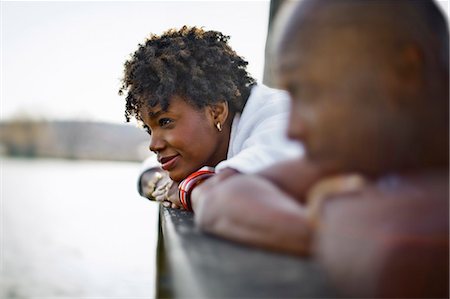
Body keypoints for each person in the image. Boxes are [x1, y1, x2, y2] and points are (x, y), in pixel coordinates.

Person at [191, 0, 449, 297]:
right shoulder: (382, 152)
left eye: (308, 92)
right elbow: (223, 194)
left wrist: (336, 220)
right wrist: (332, 230)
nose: (293, 129)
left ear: (404, 73)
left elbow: (399, 254)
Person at [119, 26, 303, 208]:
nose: (153, 145)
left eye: (165, 121)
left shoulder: (282, 119)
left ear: (216, 111)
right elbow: (148, 170)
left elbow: (233, 192)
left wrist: (186, 189)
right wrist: (160, 184)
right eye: (149, 129)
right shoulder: (218, 135)